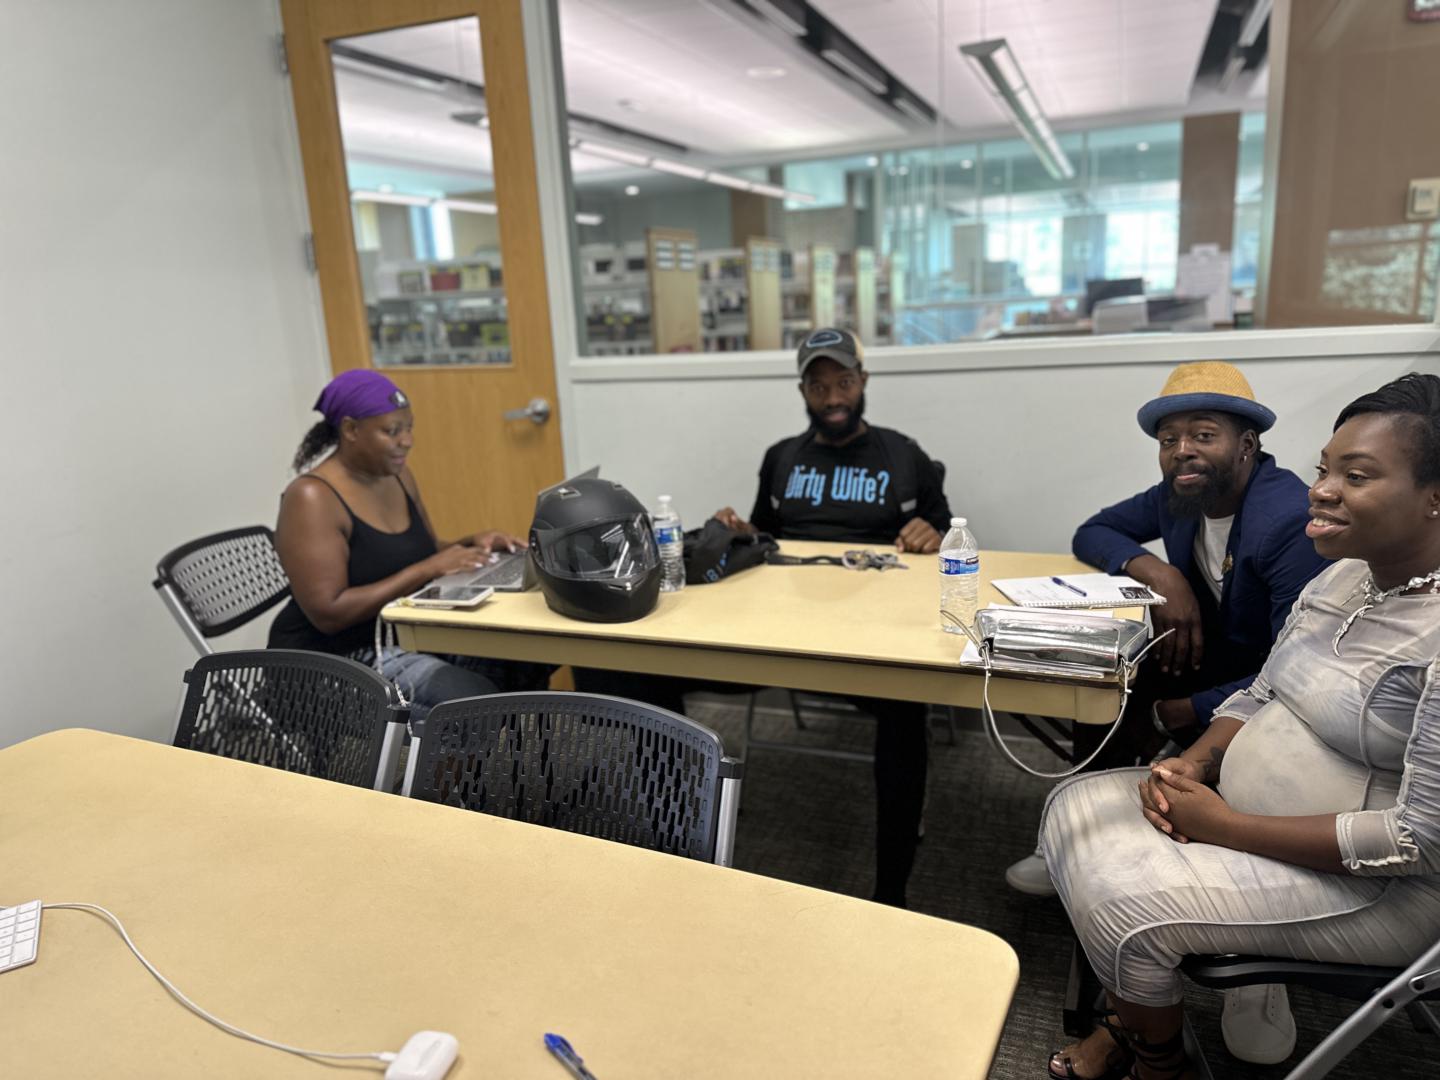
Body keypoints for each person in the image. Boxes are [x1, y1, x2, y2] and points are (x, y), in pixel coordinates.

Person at [1040, 372, 1440, 1080]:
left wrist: (1227, 827)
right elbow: (1262, 689)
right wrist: (1196, 760)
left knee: (1121, 908)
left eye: (1355, 476)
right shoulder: (1343, 576)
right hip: (1250, 819)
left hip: (1382, 888)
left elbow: (1419, 842)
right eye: (1324, 470)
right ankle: (1139, 1026)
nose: (1322, 490)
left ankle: (1157, 1061)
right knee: (1072, 806)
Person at [717, 327, 953, 907]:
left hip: (873, 633)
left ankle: (891, 893)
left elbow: (950, 533)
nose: (833, 398)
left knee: (903, 705)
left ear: (863, 381)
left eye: (843, 382)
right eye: (818, 387)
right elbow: (765, 537)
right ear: (802, 391)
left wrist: (933, 533)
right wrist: (741, 533)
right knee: (646, 668)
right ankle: (674, 818)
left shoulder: (903, 454)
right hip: (785, 627)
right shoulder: (781, 458)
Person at [269, 369, 546, 720]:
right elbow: (329, 613)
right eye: (392, 431)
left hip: (406, 632)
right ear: (351, 430)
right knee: (470, 700)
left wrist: (471, 544)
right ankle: (458, 754)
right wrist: (427, 569)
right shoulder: (311, 497)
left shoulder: (396, 474)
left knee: (525, 657)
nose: (407, 441)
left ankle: (509, 753)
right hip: (333, 660)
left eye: (409, 428)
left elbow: (423, 552)